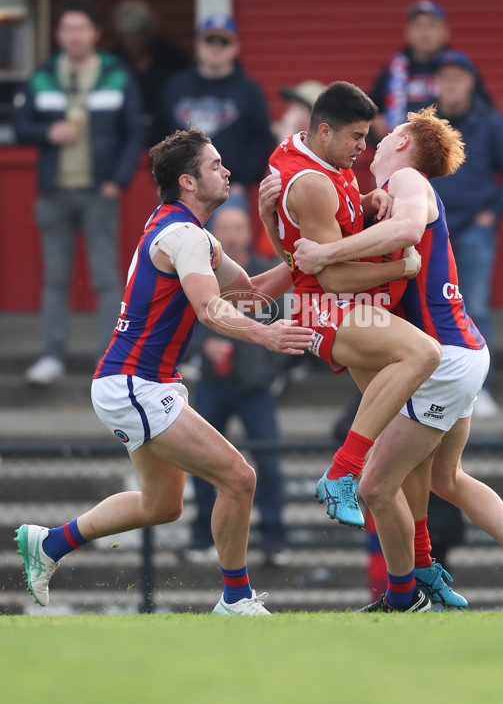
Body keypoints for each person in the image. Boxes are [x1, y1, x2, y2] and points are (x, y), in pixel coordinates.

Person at [14, 128, 315, 616]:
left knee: (162, 506)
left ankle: (49, 543)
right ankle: (235, 599)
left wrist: (301, 250)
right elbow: (211, 310)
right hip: (136, 383)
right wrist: (268, 335)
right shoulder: (183, 236)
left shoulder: (190, 234)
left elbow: (254, 292)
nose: (227, 171)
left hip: (136, 384)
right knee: (239, 478)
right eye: (215, 165)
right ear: (188, 182)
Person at [293, 107, 503, 613]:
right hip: (458, 353)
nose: (374, 141)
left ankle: (405, 596)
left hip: (441, 359)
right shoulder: (388, 191)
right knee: (445, 479)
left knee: (376, 484)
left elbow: (403, 231)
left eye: (385, 133)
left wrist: (326, 256)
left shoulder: (407, 178)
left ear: (403, 142)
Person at [260, 81, 442, 530]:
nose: (363, 148)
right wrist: (403, 269)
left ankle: (417, 572)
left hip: (337, 302)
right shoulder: (313, 183)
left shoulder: (309, 152)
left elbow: (311, 236)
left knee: (402, 438)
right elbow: (332, 275)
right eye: (356, 137)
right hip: (324, 307)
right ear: (325, 131)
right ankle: (341, 472)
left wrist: (364, 201)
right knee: (424, 353)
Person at [13, 0, 145, 385]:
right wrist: (45, 132)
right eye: (67, 29)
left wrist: (117, 182)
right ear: (58, 34)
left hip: (98, 192)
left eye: (81, 28)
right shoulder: (42, 74)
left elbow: (134, 131)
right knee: (56, 277)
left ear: (95, 33)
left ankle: (108, 361)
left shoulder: (116, 73)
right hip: (53, 191)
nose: (74, 36)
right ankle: (52, 356)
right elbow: (21, 126)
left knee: (106, 278)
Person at [185, 205, 289, 566]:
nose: (230, 236)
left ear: (248, 233)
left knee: (269, 463)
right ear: (214, 234)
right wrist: (203, 346)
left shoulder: (264, 271)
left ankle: (274, 539)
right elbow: (186, 319)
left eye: (237, 229)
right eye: (223, 229)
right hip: (214, 382)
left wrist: (271, 369)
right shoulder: (200, 273)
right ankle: (201, 536)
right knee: (200, 462)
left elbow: (287, 320)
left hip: (256, 386)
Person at [429, 48, 503, 417]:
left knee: (475, 308)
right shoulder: (425, 123)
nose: (451, 84)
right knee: (429, 306)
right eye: (445, 77)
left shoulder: (491, 122)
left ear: (471, 82)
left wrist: (494, 213)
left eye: (458, 77)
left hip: (473, 232)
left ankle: (477, 391)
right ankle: (436, 389)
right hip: (429, 233)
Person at [152, 13, 273, 206]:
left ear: (235, 47)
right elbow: (156, 135)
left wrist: (242, 182)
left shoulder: (249, 91)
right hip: (180, 192)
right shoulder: (175, 86)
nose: (216, 47)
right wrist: (165, 178)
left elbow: (261, 139)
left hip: (230, 193)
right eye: (210, 40)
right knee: (177, 237)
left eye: (224, 41)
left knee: (229, 238)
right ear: (197, 43)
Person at [368, 0, 489, 143]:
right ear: (407, 32)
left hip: (449, 145)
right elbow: (370, 105)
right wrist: (375, 118)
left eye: (431, 26)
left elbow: (484, 108)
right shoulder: (394, 67)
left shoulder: (458, 66)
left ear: (445, 32)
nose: (424, 33)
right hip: (401, 147)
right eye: (418, 26)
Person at [112, 0, 188, 141]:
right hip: (125, 134)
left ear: (148, 32)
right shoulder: (116, 61)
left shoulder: (170, 57)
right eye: (127, 35)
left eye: (138, 34)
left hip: (166, 133)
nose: (133, 41)